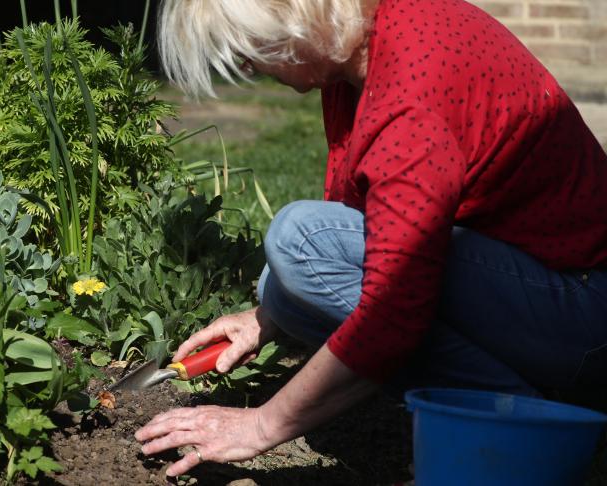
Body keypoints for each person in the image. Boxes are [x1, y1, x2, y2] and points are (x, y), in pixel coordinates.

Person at [134, 0, 607, 477]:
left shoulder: (409, 95)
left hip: (585, 314)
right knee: (282, 288)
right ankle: (511, 405)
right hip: (541, 292)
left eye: (249, 50)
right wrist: (267, 317)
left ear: (292, 26)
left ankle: (523, 422)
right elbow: (373, 225)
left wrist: (258, 427)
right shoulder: (361, 48)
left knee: (302, 242)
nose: (245, 66)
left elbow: (392, 313)